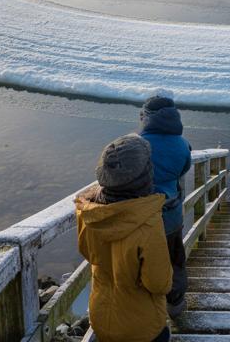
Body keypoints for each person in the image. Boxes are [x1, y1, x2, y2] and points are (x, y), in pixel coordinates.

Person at [76, 134, 173, 342]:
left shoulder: (88, 213)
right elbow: (159, 284)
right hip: (141, 325)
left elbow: (87, 252)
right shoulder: (147, 223)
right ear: (145, 176)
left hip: (101, 317)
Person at [138, 94, 193, 317]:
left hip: (141, 219)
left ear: (147, 117)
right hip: (171, 218)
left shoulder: (136, 145)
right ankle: (176, 305)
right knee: (175, 260)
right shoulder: (182, 145)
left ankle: (146, 309)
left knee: (141, 264)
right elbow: (183, 170)